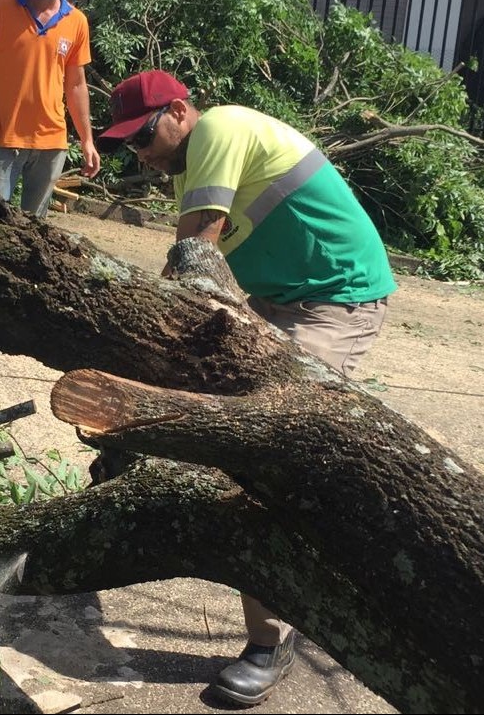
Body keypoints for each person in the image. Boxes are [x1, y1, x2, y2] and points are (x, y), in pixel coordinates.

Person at [97, 70, 397, 706]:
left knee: (260, 454)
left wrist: (147, 348)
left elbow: (195, 252)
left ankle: (270, 639)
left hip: (335, 300)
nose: (141, 154)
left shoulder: (221, 127)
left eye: (145, 136)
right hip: (279, 297)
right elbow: (191, 271)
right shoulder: (190, 163)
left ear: (180, 111)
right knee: (202, 388)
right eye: (128, 146)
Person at [0, 0, 100, 219]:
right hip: (2, 141)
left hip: (51, 145)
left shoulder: (76, 20)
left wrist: (87, 140)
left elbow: (76, 85)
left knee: (34, 233)